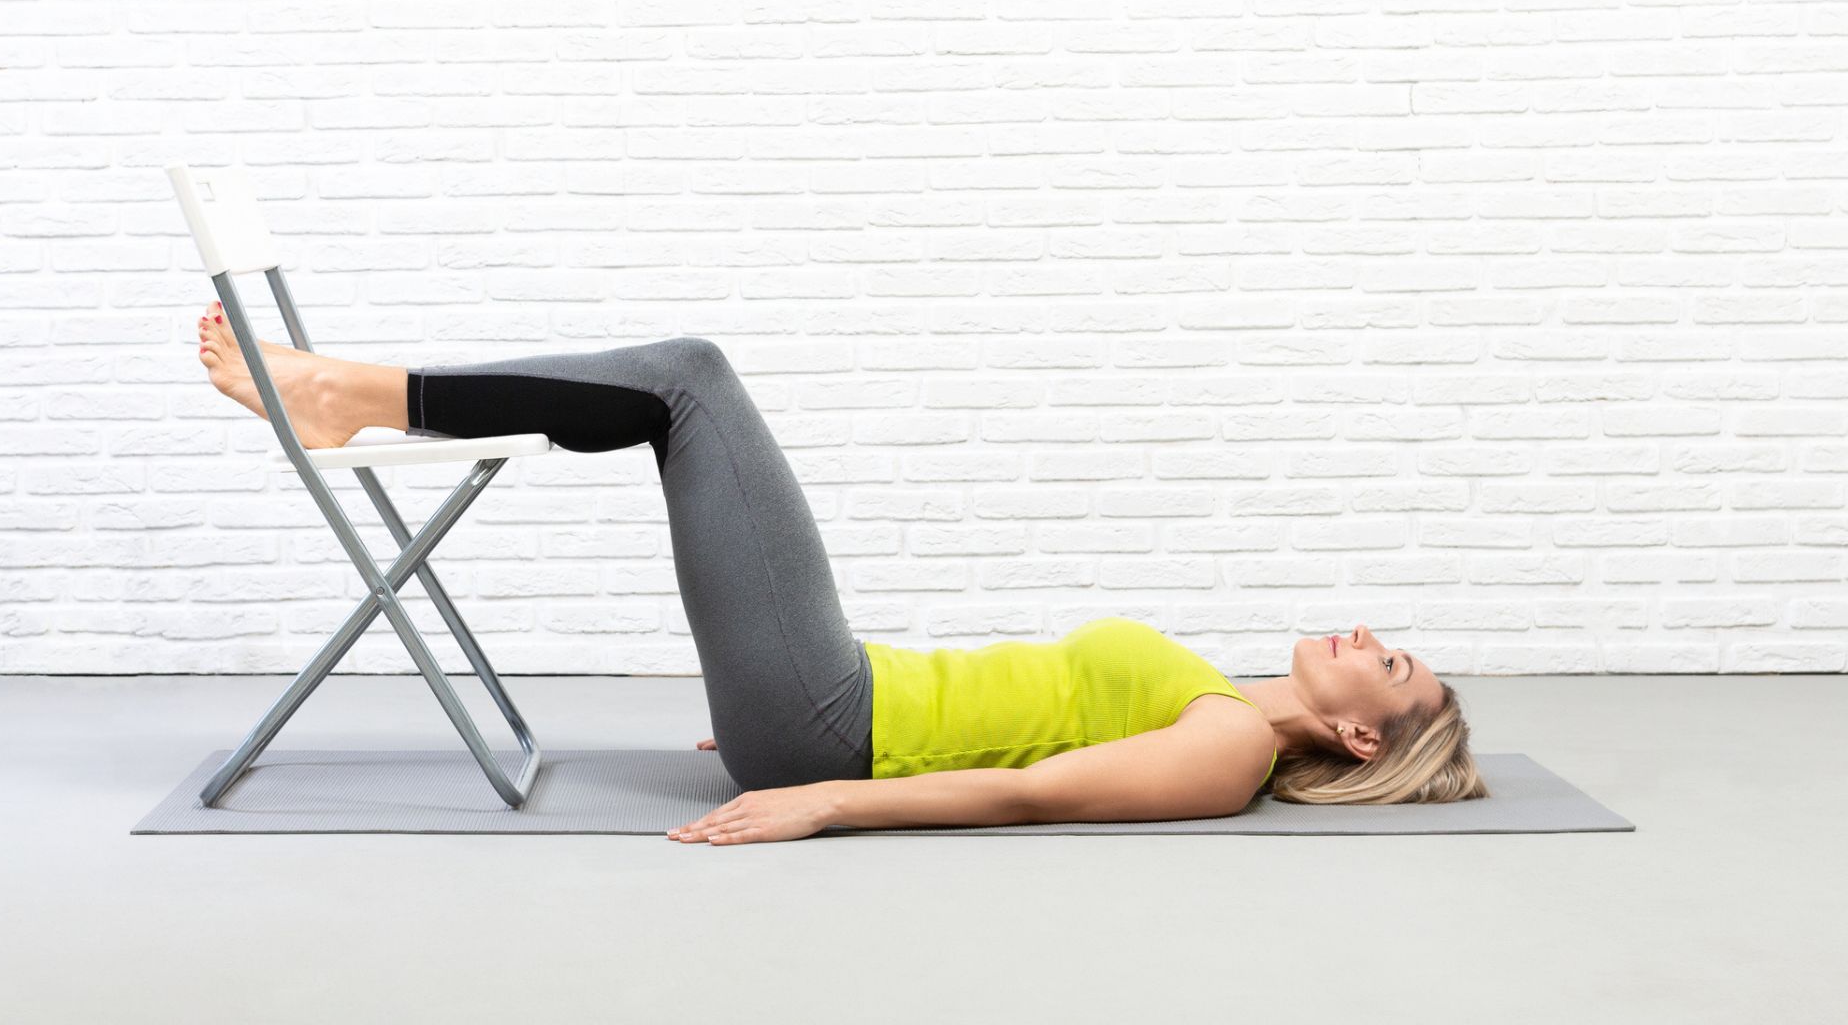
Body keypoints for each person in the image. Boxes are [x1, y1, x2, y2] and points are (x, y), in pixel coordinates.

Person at [195, 304, 1488, 846]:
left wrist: (818, 798)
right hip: (831, 694)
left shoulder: (1229, 751)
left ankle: (348, 394)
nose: (1365, 631)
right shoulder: (1212, 691)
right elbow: (1022, 712)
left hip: (834, 722)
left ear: (1361, 731)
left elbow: (1029, 796)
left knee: (688, 379)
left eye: (1387, 659)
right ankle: (350, 396)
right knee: (684, 386)